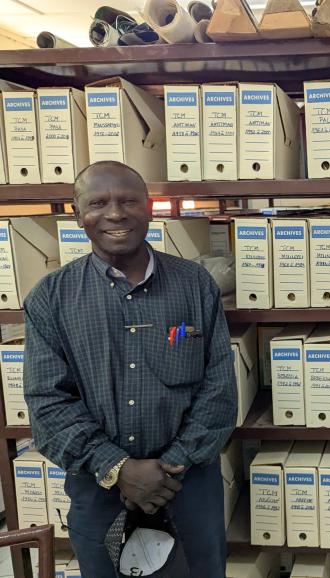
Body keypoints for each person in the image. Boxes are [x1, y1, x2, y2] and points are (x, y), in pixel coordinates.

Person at [24, 161, 237, 577]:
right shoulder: (50, 298)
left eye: (128, 201)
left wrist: (169, 468)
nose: (116, 214)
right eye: (98, 203)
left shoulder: (194, 284)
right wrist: (119, 469)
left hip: (188, 485)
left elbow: (220, 388)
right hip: (99, 489)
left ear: (150, 208)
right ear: (76, 212)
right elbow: (47, 403)